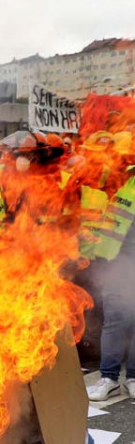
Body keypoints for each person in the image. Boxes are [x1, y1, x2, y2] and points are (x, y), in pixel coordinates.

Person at [87, 164, 135, 401]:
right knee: (115, 321)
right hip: (119, 263)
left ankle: (133, 378)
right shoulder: (126, 177)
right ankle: (109, 378)